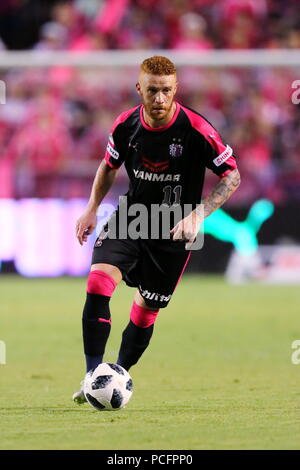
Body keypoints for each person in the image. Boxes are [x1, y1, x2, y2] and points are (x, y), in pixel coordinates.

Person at [72, 56, 240, 403]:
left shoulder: (197, 130)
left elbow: (232, 175)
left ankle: (117, 373)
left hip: (174, 230)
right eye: (152, 91)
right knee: (98, 281)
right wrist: (91, 208)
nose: (159, 99)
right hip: (132, 218)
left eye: (166, 91)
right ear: (139, 89)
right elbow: (108, 167)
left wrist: (200, 213)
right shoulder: (125, 125)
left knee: (147, 309)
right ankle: (92, 377)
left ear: (176, 89)